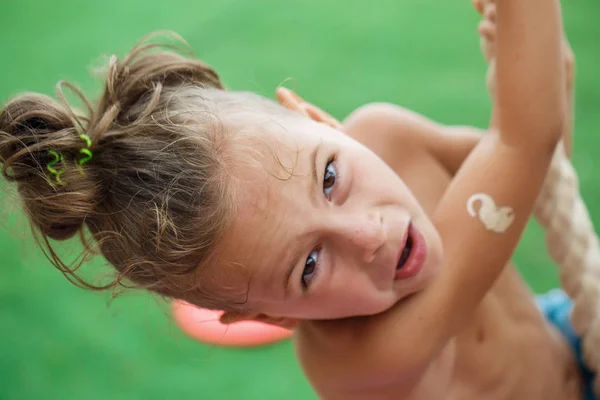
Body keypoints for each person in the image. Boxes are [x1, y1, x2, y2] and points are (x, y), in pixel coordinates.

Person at [0, 0, 590, 397]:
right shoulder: (359, 362)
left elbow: (538, 169)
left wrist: (540, 72)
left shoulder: (390, 135)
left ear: (319, 120)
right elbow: (521, 142)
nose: (369, 235)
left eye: (330, 178)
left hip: (566, 330)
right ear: (268, 317)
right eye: (309, 266)